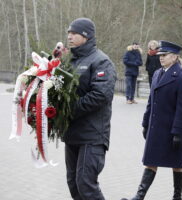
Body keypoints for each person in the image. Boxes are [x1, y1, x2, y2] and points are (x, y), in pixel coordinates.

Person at [121, 41, 182, 200]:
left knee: (177, 165)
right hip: (156, 127)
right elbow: (151, 102)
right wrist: (145, 123)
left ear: (174, 57)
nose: (161, 58)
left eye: (164, 55)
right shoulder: (158, 73)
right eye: (160, 55)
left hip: (172, 128)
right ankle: (139, 196)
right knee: (151, 162)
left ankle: (177, 197)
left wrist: (178, 132)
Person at [63, 18, 117, 200]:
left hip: (92, 135)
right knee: (73, 183)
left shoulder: (101, 61)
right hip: (72, 133)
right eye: (68, 33)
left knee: (86, 184)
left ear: (86, 36)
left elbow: (101, 95)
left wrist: (69, 110)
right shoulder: (71, 61)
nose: (69, 36)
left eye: (74, 33)